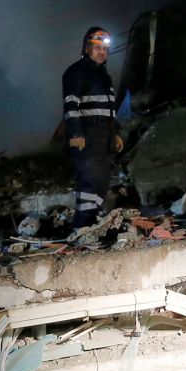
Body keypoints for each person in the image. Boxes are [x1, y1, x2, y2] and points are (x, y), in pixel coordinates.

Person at [61, 27, 123, 229]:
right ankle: (81, 225)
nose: (102, 53)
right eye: (97, 48)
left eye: (105, 50)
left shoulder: (104, 77)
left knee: (102, 180)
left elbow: (109, 110)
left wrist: (116, 134)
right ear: (86, 48)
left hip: (104, 134)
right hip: (87, 134)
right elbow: (71, 105)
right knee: (90, 180)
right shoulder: (76, 72)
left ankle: (89, 221)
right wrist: (76, 133)